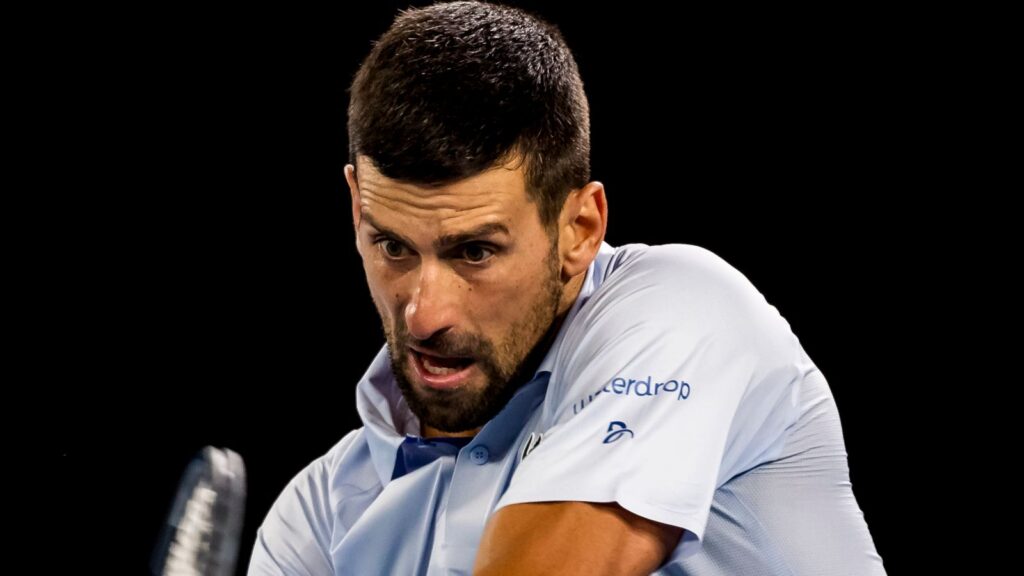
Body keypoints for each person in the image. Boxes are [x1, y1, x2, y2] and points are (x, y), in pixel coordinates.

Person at [247, 2, 885, 574]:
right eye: (393, 247)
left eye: (474, 252)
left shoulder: (686, 310)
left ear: (580, 228)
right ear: (358, 204)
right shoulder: (315, 519)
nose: (423, 314)